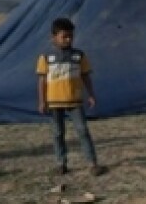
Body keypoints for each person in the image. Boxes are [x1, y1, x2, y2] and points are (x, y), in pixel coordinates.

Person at [36, 17, 105, 176]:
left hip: (75, 101)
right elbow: (42, 81)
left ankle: (92, 163)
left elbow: (86, 76)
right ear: (54, 37)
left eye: (70, 36)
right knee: (58, 133)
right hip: (54, 103)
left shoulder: (79, 56)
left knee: (82, 130)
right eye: (64, 36)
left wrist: (91, 94)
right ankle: (61, 163)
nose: (68, 39)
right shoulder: (46, 57)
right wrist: (42, 101)